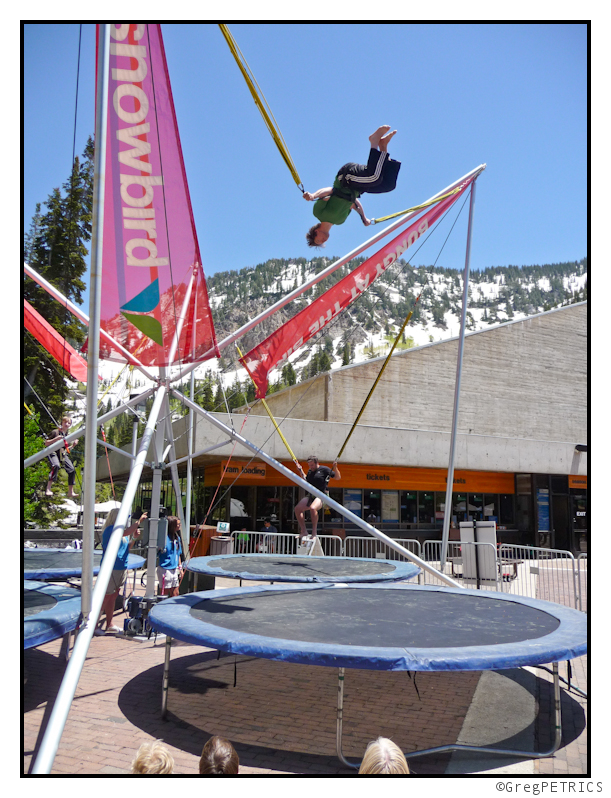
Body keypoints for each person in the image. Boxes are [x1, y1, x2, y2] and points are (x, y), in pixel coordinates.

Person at [304, 125, 400, 248]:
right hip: (356, 187)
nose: (323, 241)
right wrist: (364, 218)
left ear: (315, 232)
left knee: (374, 177)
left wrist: (313, 195)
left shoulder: (318, 213)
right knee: (387, 185)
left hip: (346, 178)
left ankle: (374, 141)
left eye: (318, 241)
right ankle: (383, 146)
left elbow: (329, 191)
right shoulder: (340, 221)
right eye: (322, 243)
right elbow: (353, 203)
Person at [95, 507, 147, 635]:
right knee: (106, 597)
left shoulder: (121, 534)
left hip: (121, 567)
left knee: (113, 596)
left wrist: (134, 538)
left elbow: (126, 548)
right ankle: (94, 625)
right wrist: (139, 521)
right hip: (111, 568)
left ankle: (109, 623)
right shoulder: (110, 530)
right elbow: (127, 531)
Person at [295, 455, 341, 540]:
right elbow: (306, 481)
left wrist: (335, 468)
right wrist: (300, 470)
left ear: (317, 463)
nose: (311, 467)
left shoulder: (325, 470)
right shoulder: (310, 471)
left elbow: (338, 477)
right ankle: (304, 531)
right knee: (297, 509)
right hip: (312, 495)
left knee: (313, 508)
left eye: (312, 465)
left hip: (322, 495)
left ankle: (314, 533)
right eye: (309, 465)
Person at [44, 416, 78, 497]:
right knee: (55, 465)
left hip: (62, 454)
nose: (67, 424)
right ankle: (48, 488)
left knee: (72, 469)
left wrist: (73, 445)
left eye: (69, 423)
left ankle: (70, 491)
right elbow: (46, 443)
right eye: (65, 422)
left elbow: (66, 448)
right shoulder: (55, 432)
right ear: (62, 423)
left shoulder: (67, 435)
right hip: (53, 452)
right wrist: (56, 439)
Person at [157, 516, 184, 598]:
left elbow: (177, 554)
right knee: (164, 594)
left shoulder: (177, 538)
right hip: (165, 570)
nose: (180, 525)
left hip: (174, 569)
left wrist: (180, 568)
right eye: (178, 524)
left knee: (176, 593)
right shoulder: (164, 539)